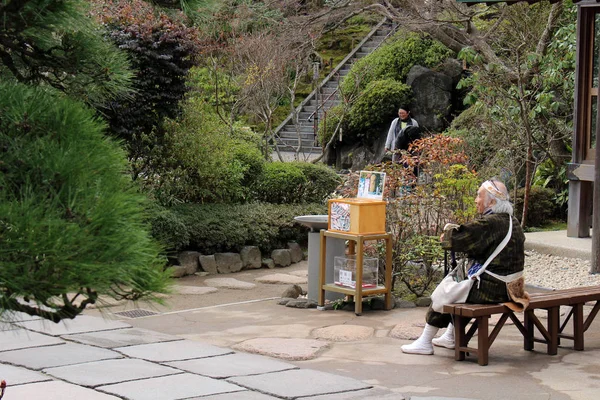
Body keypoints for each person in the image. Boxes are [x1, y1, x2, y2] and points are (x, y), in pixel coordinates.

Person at [401, 179, 526, 355]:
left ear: (491, 202)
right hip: (513, 287)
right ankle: (450, 336)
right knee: (460, 277)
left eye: (479, 195)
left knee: (446, 289)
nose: (476, 200)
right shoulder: (512, 222)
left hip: (493, 289)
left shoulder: (490, 223)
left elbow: (456, 239)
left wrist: (447, 235)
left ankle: (425, 341)